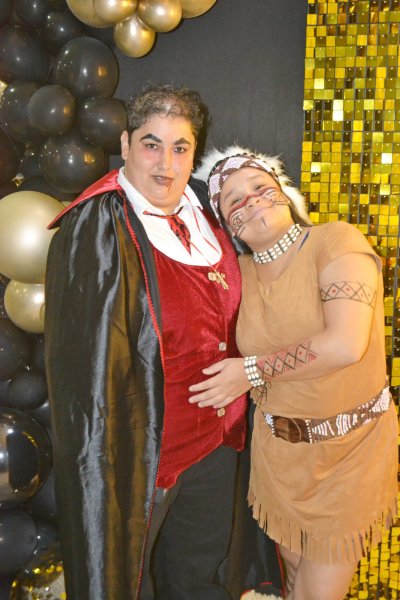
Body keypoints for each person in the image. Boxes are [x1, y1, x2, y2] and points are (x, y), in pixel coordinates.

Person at [44, 88, 281, 600]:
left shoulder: (210, 215)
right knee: (132, 582)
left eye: (180, 148)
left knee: (198, 578)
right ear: (125, 145)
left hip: (216, 446)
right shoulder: (99, 224)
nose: (166, 164)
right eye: (152, 145)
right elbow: (88, 373)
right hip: (144, 456)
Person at [190, 146, 399, 600]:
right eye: (233, 199)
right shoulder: (237, 274)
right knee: (294, 573)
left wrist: (251, 370)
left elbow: (345, 344)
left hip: (350, 452)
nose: (251, 200)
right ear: (226, 224)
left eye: (259, 186)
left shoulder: (335, 240)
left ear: (284, 193)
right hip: (279, 456)